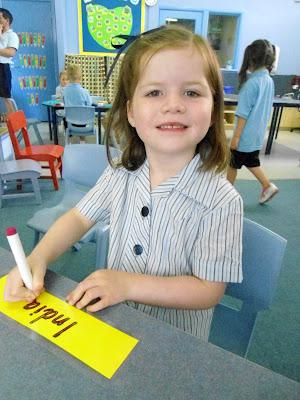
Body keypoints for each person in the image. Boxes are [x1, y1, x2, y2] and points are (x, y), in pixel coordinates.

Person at [4, 26, 243, 342]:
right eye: (154, 92)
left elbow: (208, 290)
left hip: (176, 347)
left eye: (192, 92)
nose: (174, 104)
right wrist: (38, 257)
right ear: (130, 111)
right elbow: (78, 218)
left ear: (213, 108)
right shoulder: (121, 173)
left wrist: (128, 284)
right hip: (114, 330)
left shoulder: (221, 200)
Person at [227, 39, 278, 204]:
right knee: (251, 161)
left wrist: (235, 137)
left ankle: (227, 195)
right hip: (256, 134)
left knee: (233, 164)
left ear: (251, 59)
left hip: (245, 135)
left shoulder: (251, 84)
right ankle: (267, 185)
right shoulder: (268, 80)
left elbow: (243, 114)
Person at [63, 64, 92, 143]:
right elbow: (89, 104)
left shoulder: (65, 91)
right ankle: (82, 141)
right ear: (80, 78)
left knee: (65, 119)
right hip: (82, 121)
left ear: (68, 78)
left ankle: (69, 142)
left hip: (69, 121)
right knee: (82, 119)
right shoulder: (84, 91)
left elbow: (65, 103)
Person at [0, 8, 19, 115]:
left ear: (6, 20)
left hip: (3, 67)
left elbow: (11, 52)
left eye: (0, 18)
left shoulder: (12, 35)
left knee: (6, 96)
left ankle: (14, 121)